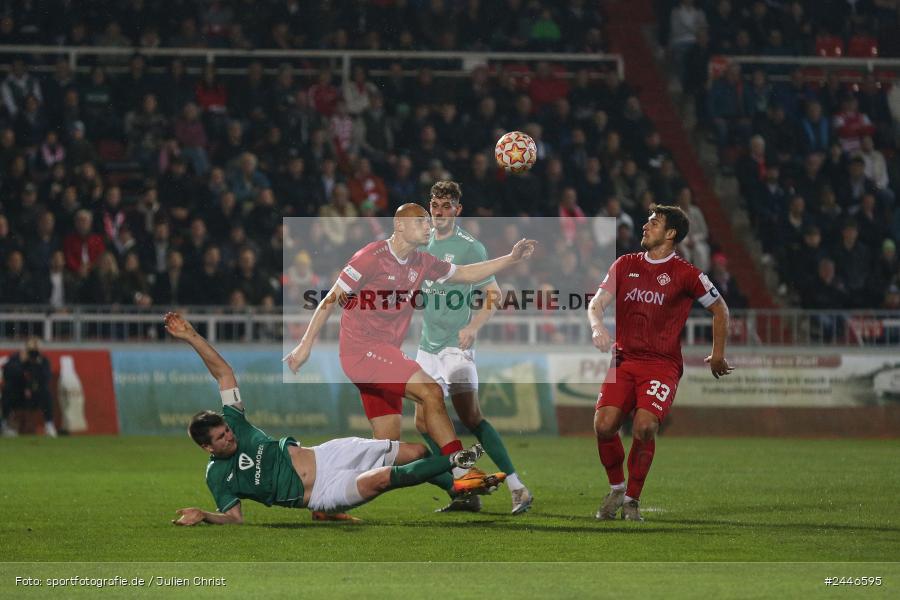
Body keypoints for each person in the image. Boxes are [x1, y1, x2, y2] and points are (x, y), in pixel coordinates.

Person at [284, 203, 536, 496]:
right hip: (362, 351)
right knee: (431, 392)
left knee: (387, 451)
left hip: (381, 355)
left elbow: (466, 274)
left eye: (428, 222)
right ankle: (462, 471)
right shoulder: (370, 257)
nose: (428, 226)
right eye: (421, 221)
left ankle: (326, 491)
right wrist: (305, 344)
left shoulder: (422, 262)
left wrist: (511, 258)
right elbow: (330, 298)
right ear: (399, 225)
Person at [164, 312, 497, 526]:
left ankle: (459, 492)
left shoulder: (236, 423)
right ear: (208, 448)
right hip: (323, 491)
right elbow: (234, 518)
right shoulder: (218, 476)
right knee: (382, 480)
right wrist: (205, 515)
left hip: (328, 454)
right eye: (221, 438)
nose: (229, 436)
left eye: (226, 430)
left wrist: (192, 336)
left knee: (417, 452)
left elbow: (224, 374)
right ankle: (458, 464)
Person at [588, 205, 733, 521]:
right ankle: (616, 489)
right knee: (604, 425)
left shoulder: (687, 274)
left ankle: (631, 500)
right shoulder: (625, 264)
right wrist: (597, 327)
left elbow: (720, 309)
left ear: (671, 234)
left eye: (653, 222)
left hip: (661, 365)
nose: (645, 226)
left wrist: (718, 354)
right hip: (624, 359)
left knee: (644, 427)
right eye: (647, 221)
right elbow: (596, 303)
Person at [417, 181, 533, 515]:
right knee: (423, 423)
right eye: (435, 205)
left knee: (471, 417)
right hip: (427, 346)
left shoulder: (470, 248)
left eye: (446, 206)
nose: (439, 212)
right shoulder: (421, 241)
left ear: (458, 210)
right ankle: (464, 487)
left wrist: (473, 327)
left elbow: (494, 295)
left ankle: (518, 488)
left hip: (456, 348)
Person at [1, 337, 55, 437]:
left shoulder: (42, 361)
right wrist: (21, 363)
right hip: (19, 395)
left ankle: (49, 425)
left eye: (35, 350)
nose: (33, 353)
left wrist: (36, 365)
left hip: (35, 395)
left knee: (46, 393)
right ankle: (4, 425)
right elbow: (7, 374)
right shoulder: (16, 359)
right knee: (7, 390)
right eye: (31, 350)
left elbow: (46, 379)